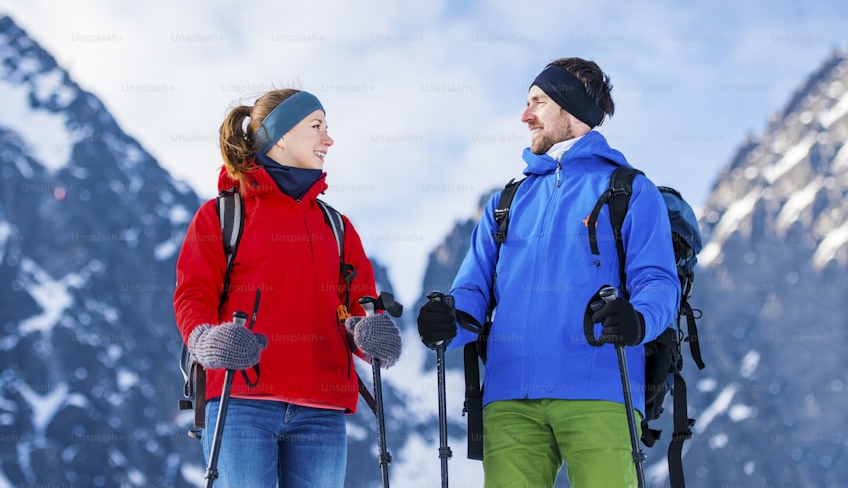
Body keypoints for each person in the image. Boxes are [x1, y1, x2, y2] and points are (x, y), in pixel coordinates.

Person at [417, 58, 680, 487]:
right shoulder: (506, 201)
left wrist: (638, 319)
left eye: (537, 101)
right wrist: (449, 320)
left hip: (600, 390)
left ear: (570, 106)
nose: (525, 115)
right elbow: (472, 290)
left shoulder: (629, 191)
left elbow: (658, 281)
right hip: (509, 398)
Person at [174, 88, 402, 488]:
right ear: (279, 136)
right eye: (317, 127)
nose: (328, 140)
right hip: (240, 401)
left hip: (322, 411)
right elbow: (194, 294)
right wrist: (204, 339)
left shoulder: (338, 227)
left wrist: (370, 332)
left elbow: (358, 304)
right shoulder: (223, 214)